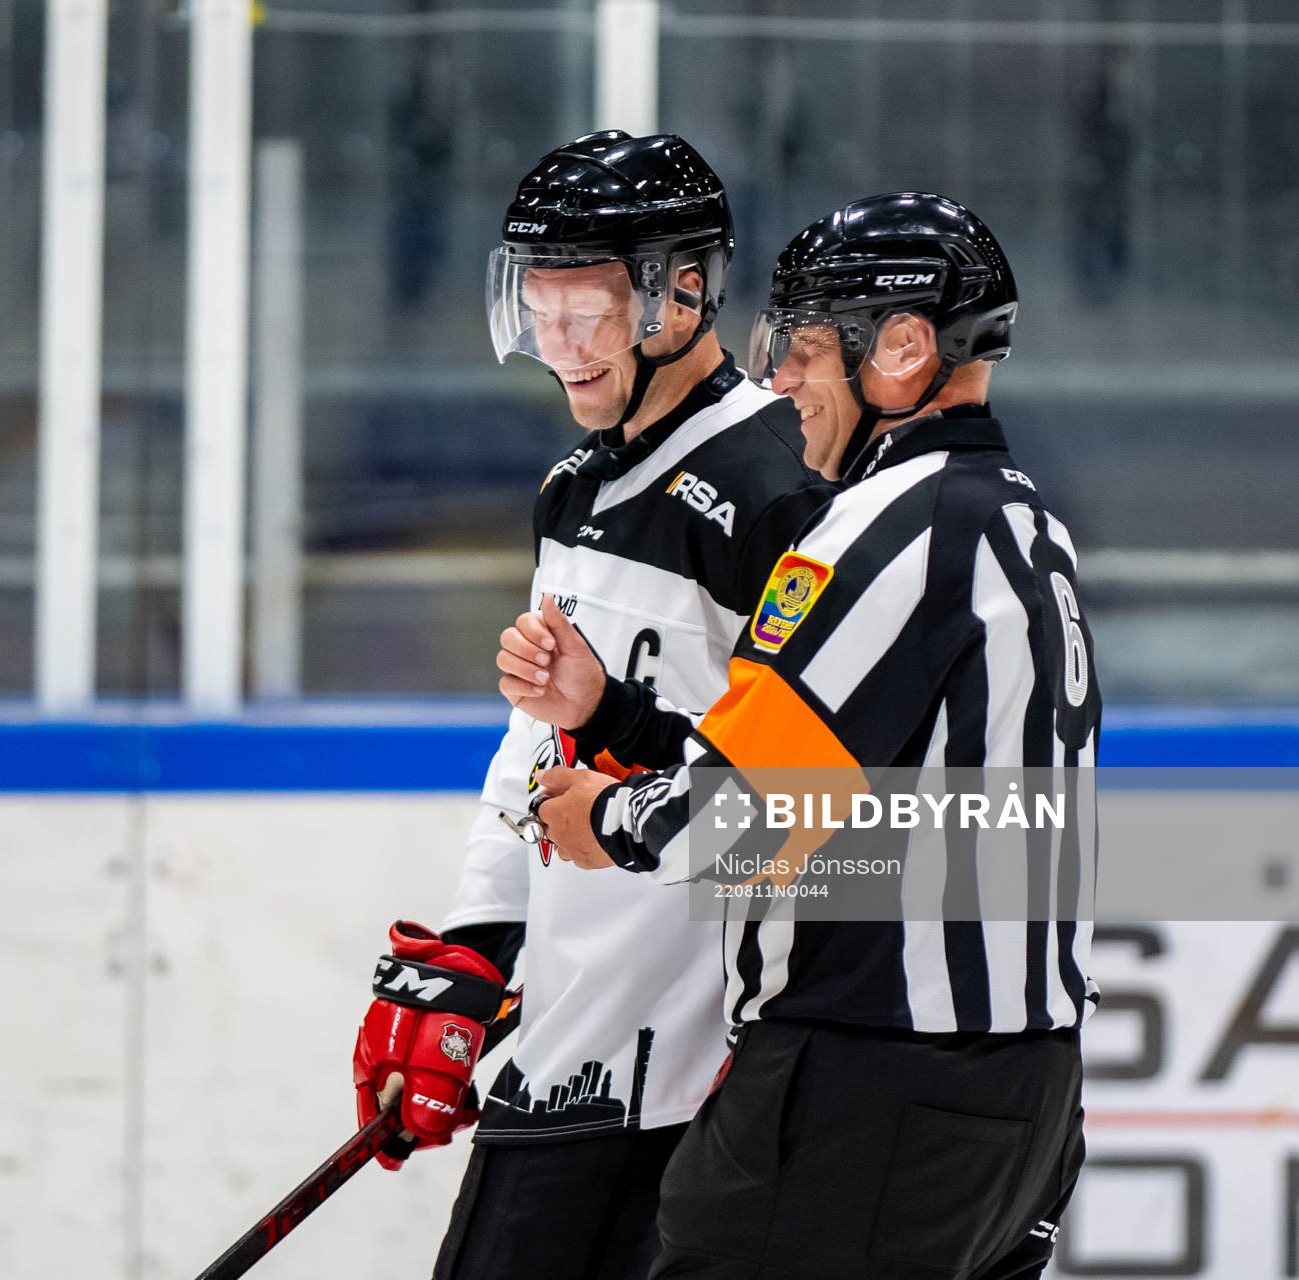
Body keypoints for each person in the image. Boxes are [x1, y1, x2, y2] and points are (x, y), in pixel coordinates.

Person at [516, 193, 1099, 1280]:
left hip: (864, 1094)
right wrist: (618, 716)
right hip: (1027, 1104)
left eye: (805, 348)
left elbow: (740, 819)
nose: (779, 380)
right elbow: (875, 810)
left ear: (904, 348)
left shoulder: (881, 527)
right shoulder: (1026, 526)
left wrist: (610, 820)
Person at [348, 131, 834, 1280]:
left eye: (587, 310)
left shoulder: (780, 486)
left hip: (700, 1082)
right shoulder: (575, 487)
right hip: (571, 1042)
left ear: (682, 293)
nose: (557, 344)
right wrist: (477, 944)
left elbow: (815, 788)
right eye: (539, 307)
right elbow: (538, 732)